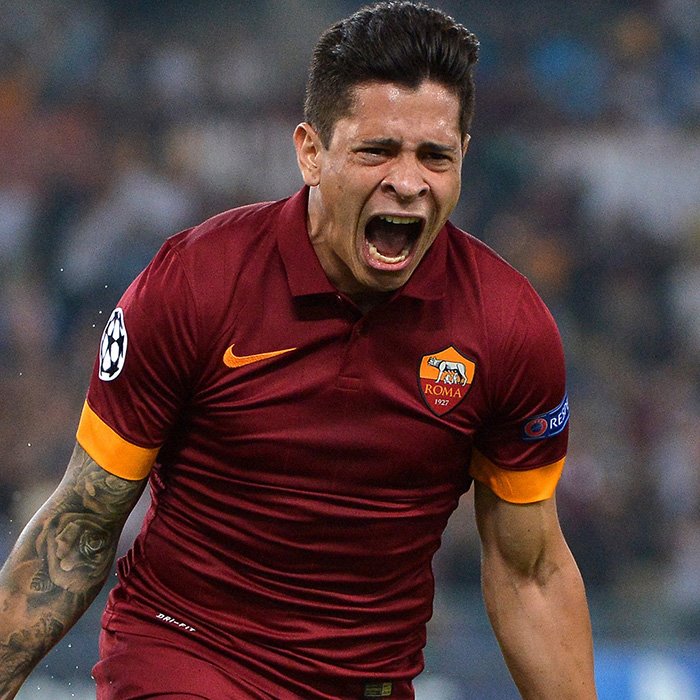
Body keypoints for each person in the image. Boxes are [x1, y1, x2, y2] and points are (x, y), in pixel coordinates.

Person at [0, 2, 597, 698]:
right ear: (311, 152)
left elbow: (529, 573)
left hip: (364, 684)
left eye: (435, 156)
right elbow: (82, 522)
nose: (408, 183)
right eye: (377, 151)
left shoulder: (508, 329)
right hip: (185, 655)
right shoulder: (197, 283)